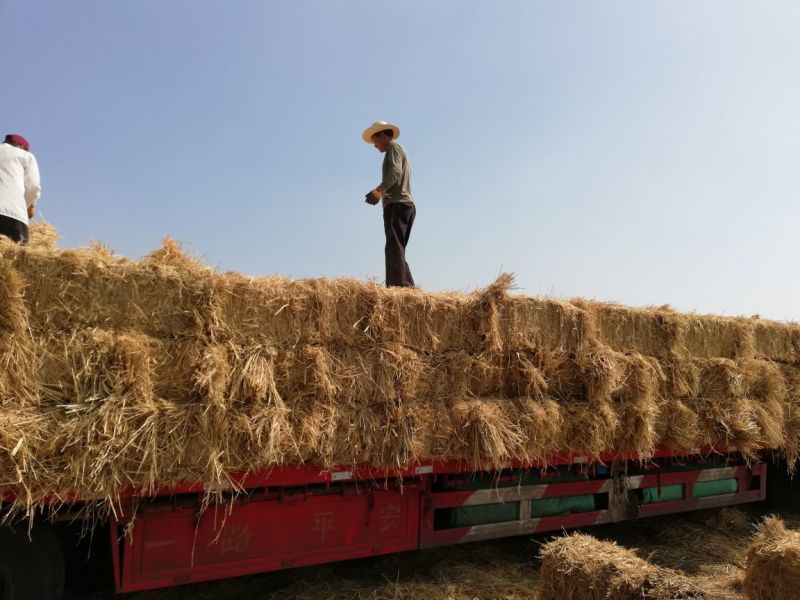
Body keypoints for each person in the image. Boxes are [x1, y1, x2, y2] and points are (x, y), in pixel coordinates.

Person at [363, 120, 416, 288]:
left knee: (394, 249)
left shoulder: (393, 148)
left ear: (384, 135)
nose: (374, 145)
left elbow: (395, 171)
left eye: (375, 140)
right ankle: (408, 289)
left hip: (397, 204)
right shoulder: (398, 150)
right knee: (397, 248)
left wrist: (380, 190)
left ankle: (398, 290)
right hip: (405, 204)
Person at [0, 134, 40, 245]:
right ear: (22, 147)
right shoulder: (26, 156)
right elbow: (32, 186)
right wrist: (27, 206)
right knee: (17, 259)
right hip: (12, 214)